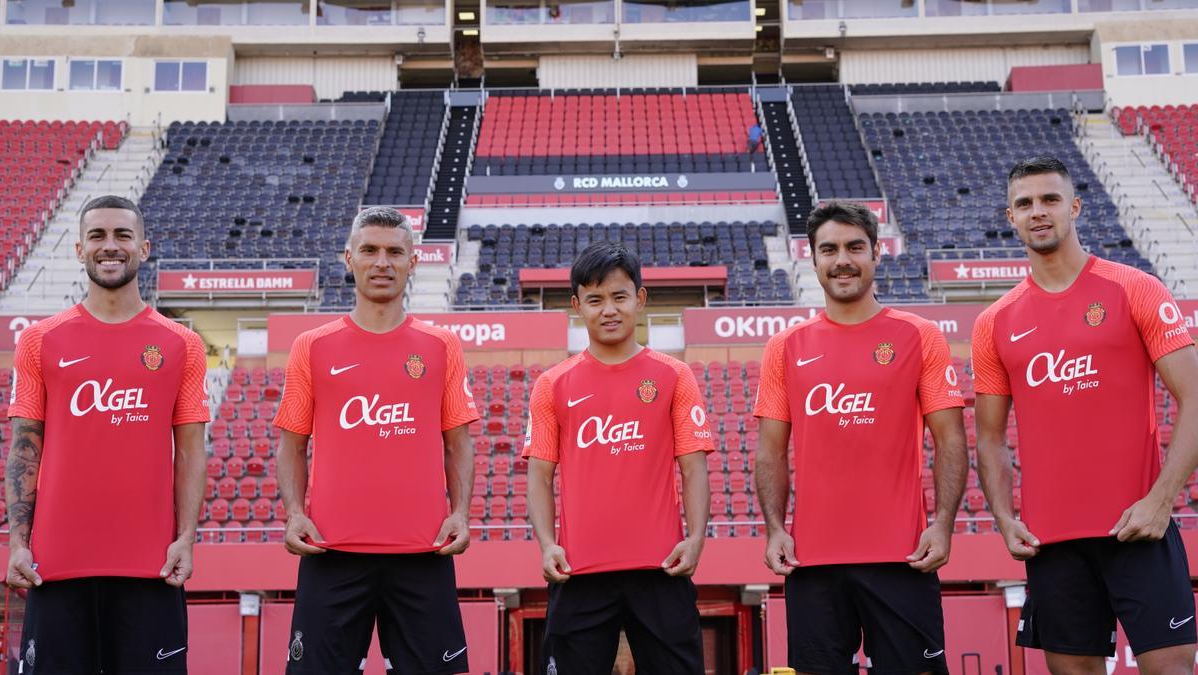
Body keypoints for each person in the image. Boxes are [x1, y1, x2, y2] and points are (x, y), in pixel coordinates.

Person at [972, 157, 1198, 674]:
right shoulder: (994, 322)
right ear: (1010, 216)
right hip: (1052, 541)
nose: (1038, 212)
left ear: (1074, 207)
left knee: (1171, 668)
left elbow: (1195, 396)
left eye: (1050, 199)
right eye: (1025, 203)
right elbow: (989, 439)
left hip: (1139, 527)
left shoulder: (1134, 288)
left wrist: (1161, 501)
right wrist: (1006, 520)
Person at [754, 200, 967, 674]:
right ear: (813, 259)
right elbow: (770, 451)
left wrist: (944, 523)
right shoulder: (784, 347)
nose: (842, 259)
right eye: (828, 249)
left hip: (904, 557)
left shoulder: (920, 336)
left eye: (855, 247)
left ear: (876, 253)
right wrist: (775, 528)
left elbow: (950, 440)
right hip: (813, 564)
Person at [6, 195, 209, 673]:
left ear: (144, 247)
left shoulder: (183, 343)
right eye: (97, 235)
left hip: (150, 568)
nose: (110, 245)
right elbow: (23, 448)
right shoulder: (39, 340)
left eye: (122, 235)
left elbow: (191, 453)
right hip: (54, 569)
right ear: (79, 249)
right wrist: (18, 542)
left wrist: (186, 538)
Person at [273, 206, 478, 674]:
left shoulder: (441, 345)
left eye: (394, 252)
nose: (381, 262)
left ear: (413, 261)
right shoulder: (313, 345)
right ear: (349, 258)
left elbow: (458, 441)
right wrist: (294, 513)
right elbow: (291, 445)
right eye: (369, 250)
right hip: (331, 551)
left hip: (423, 550)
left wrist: (461, 514)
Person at [523, 241, 713, 674]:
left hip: (662, 566)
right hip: (579, 570)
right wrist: (548, 544)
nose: (608, 309)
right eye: (595, 299)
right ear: (577, 306)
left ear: (639, 300)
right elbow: (539, 475)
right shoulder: (552, 384)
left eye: (619, 296)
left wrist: (696, 537)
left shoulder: (673, 374)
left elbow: (693, 466)